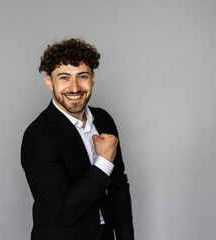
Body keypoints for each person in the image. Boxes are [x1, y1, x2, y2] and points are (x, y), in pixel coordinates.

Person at [21, 38, 134, 240]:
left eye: (82, 76)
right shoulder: (38, 137)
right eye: (64, 78)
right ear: (49, 82)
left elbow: (118, 186)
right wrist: (104, 163)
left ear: (92, 79)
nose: (74, 88)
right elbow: (66, 211)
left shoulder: (104, 119)